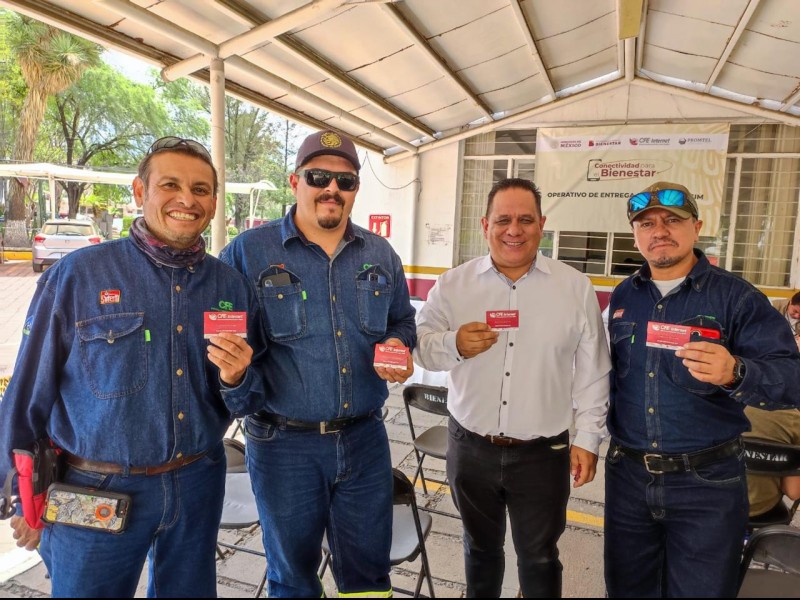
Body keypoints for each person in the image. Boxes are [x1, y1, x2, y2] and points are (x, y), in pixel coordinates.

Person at [0, 136, 264, 597]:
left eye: (201, 189)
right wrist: (20, 495)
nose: (187, 199)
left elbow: (246, 399)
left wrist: (237, 377)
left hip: (197, 481)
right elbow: (26, 395)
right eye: (170, 185)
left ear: (214, 203)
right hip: (94, 488)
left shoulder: (230, 287)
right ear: (140, 192)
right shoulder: (77, 276)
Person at [219, 129, 416, 598]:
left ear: (355, 189)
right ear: (295, 181)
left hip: (365, 440)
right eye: (318, 177)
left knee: (370, 576)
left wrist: (397, 342)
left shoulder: (380, 254)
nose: (332, 189)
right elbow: (222, 339)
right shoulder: (248, 252)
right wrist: (233, 375)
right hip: (283, 445)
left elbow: (403, 320)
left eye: (345, 181)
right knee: (292, 577)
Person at [414, 177, 610, 598]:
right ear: (486, 225)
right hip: (470, 448)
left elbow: (594, 371)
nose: (514, 230)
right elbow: (423, 349)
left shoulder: (574, 287)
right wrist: (454, 344)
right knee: (480, 550)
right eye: (503, 220)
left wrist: (589, 438)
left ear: (542, 225)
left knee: (539, 557)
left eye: (525, 220)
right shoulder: (453, 285)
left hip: (543, 454)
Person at [604, 181, 800, 598]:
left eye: (672, 220)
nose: (659, 231)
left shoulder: (736, 298)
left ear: (696, 227)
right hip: (628, 479)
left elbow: (791, 378)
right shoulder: (624, 297)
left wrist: (736, 372)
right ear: (635, 236)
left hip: (707, 485)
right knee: (627, 590)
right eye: (646, 224)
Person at [743, 407, 800, 518]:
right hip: (762, 507)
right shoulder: (794, 420)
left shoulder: (720, 406)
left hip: (714, 502)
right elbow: (793, 492)